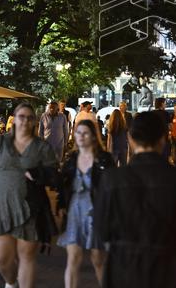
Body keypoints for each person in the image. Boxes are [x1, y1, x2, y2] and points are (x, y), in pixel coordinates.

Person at [94, 111, 176, 287]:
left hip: (123, 267)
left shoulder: (111, 179)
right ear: (163, 138)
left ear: (130, 138)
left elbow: (101, 230)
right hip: (169, 267)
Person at [0, 102, 59, 288]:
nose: (25, 121)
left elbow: (53, 176)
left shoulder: (41, 147)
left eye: (30, 118)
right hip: (2, 207)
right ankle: (11, 283)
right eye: (21, 117)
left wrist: (39, 174)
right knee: (2, 260)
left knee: (27, 256)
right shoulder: (0, 143)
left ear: (34, 122)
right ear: (14, 119)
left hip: (31, 208)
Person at [58, 119, 114, 288]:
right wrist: (61, 205)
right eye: (78, 133)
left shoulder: (104, 160)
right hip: (75, 210)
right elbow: (63, 186)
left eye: (85, 133)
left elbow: (112, 188)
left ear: (94, 136)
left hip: (96, 211)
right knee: (73, 257)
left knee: (98, 259)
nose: (81, 136)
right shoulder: (71, 160)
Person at [152, 97, 174, 163]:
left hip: (154, 140)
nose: (165, 105)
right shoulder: (165, 114)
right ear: (161, 104)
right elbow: (171, 127)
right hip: (164, 140)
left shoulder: (151, 113)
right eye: (165, 103)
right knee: (164, 159)